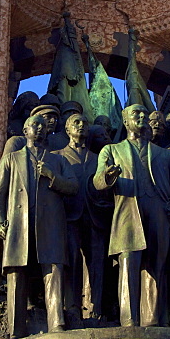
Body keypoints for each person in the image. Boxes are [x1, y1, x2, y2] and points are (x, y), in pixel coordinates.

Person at [93, 104, 170, 328]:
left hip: (159, 212)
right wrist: (109, 175)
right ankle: (129, 321)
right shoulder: (111, 150)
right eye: (136, 113)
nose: (142, 116)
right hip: (127, 212)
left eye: (144, 113)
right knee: (128, 265)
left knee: (156, 267)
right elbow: (98, 182)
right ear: (125, 121)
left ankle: (152, 321)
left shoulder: (164, 155)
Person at [0, 113, 78, 338]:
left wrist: (52, 177)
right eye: (33, 125)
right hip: (19, 226)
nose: (38, 129)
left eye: (41, 126)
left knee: (53, 270)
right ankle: (15, 329)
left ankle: (57, 324)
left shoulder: (58, 160)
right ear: (25, 131)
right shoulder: (11, 159)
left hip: (49, 225)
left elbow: (73, 187)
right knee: (17, 274)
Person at [54, 113, 106, 323]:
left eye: (85, 123)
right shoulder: (57, 156)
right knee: (72, 262)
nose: (82, 126)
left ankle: (96, 310)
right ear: (67, 130)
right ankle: (72, 307)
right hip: (69, 217)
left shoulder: (98, 158)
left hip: (95, 216)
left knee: (97, 263)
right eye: (76, 123)